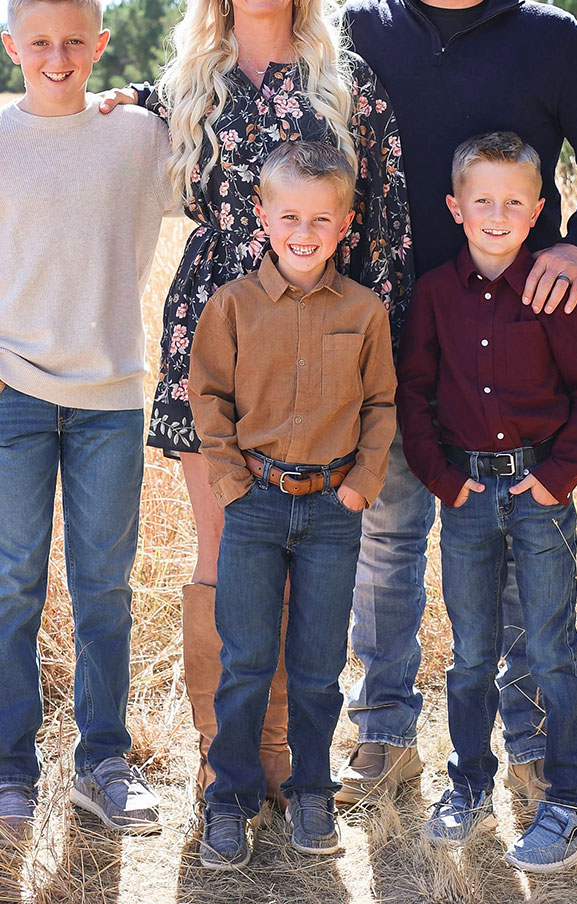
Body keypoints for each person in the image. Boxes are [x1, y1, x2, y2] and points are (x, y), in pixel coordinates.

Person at [337, 0, 577, 805]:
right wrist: (138, 99)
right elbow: (258, 87)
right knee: (389, 544)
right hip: (388, 337)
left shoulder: (549, 39)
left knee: (515, 558)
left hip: (517, 352)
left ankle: (533, 745)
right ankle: (385, 733)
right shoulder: (356, 32)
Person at [99, 0, 413, 805]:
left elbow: (385, 223)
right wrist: (115, 100)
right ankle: (224, 764)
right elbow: (126, 121)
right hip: (214, 327)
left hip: (318, 339)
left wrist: (373, 351)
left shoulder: (342, 81)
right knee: (225, 549)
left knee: (301, 555)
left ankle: (283, 763)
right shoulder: (190, 83)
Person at [0, 0, 173, 842]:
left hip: (111, 400)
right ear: (11, 48)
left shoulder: (137, 137)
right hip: (14, 398)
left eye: (74, 41)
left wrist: (152, 98)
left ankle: (103, 764)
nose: (57, 57)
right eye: (39, 42)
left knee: (104, 587)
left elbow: (215, 169)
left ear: (101, 45)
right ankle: (10, 776)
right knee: (13, 582)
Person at [396, 131, 577, 873]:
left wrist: (558, 476)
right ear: (455, 207)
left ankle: (572, 801)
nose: (498, 215)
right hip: (464, 494)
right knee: (470, 653)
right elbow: (413, 394)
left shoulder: (552, 291)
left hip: (538, 494)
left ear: (538, 211)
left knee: (552, 648)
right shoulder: (434, 293)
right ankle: (468, 783)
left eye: (514, 203)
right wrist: (440, 477)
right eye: (483, 201)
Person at [187, 141, 396, 868]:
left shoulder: (364, 311)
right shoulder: (233, 306)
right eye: (289, 217)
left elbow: (380, 403)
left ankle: (311, 789)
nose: (304, 233)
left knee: (316, 663)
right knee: (246, 659)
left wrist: (361, 482)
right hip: (256, 504)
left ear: (345, 224)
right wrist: (230, 483)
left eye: (320, 219)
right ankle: (229, 797)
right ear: (263, 216)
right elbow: (208, 397)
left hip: (333, 509)